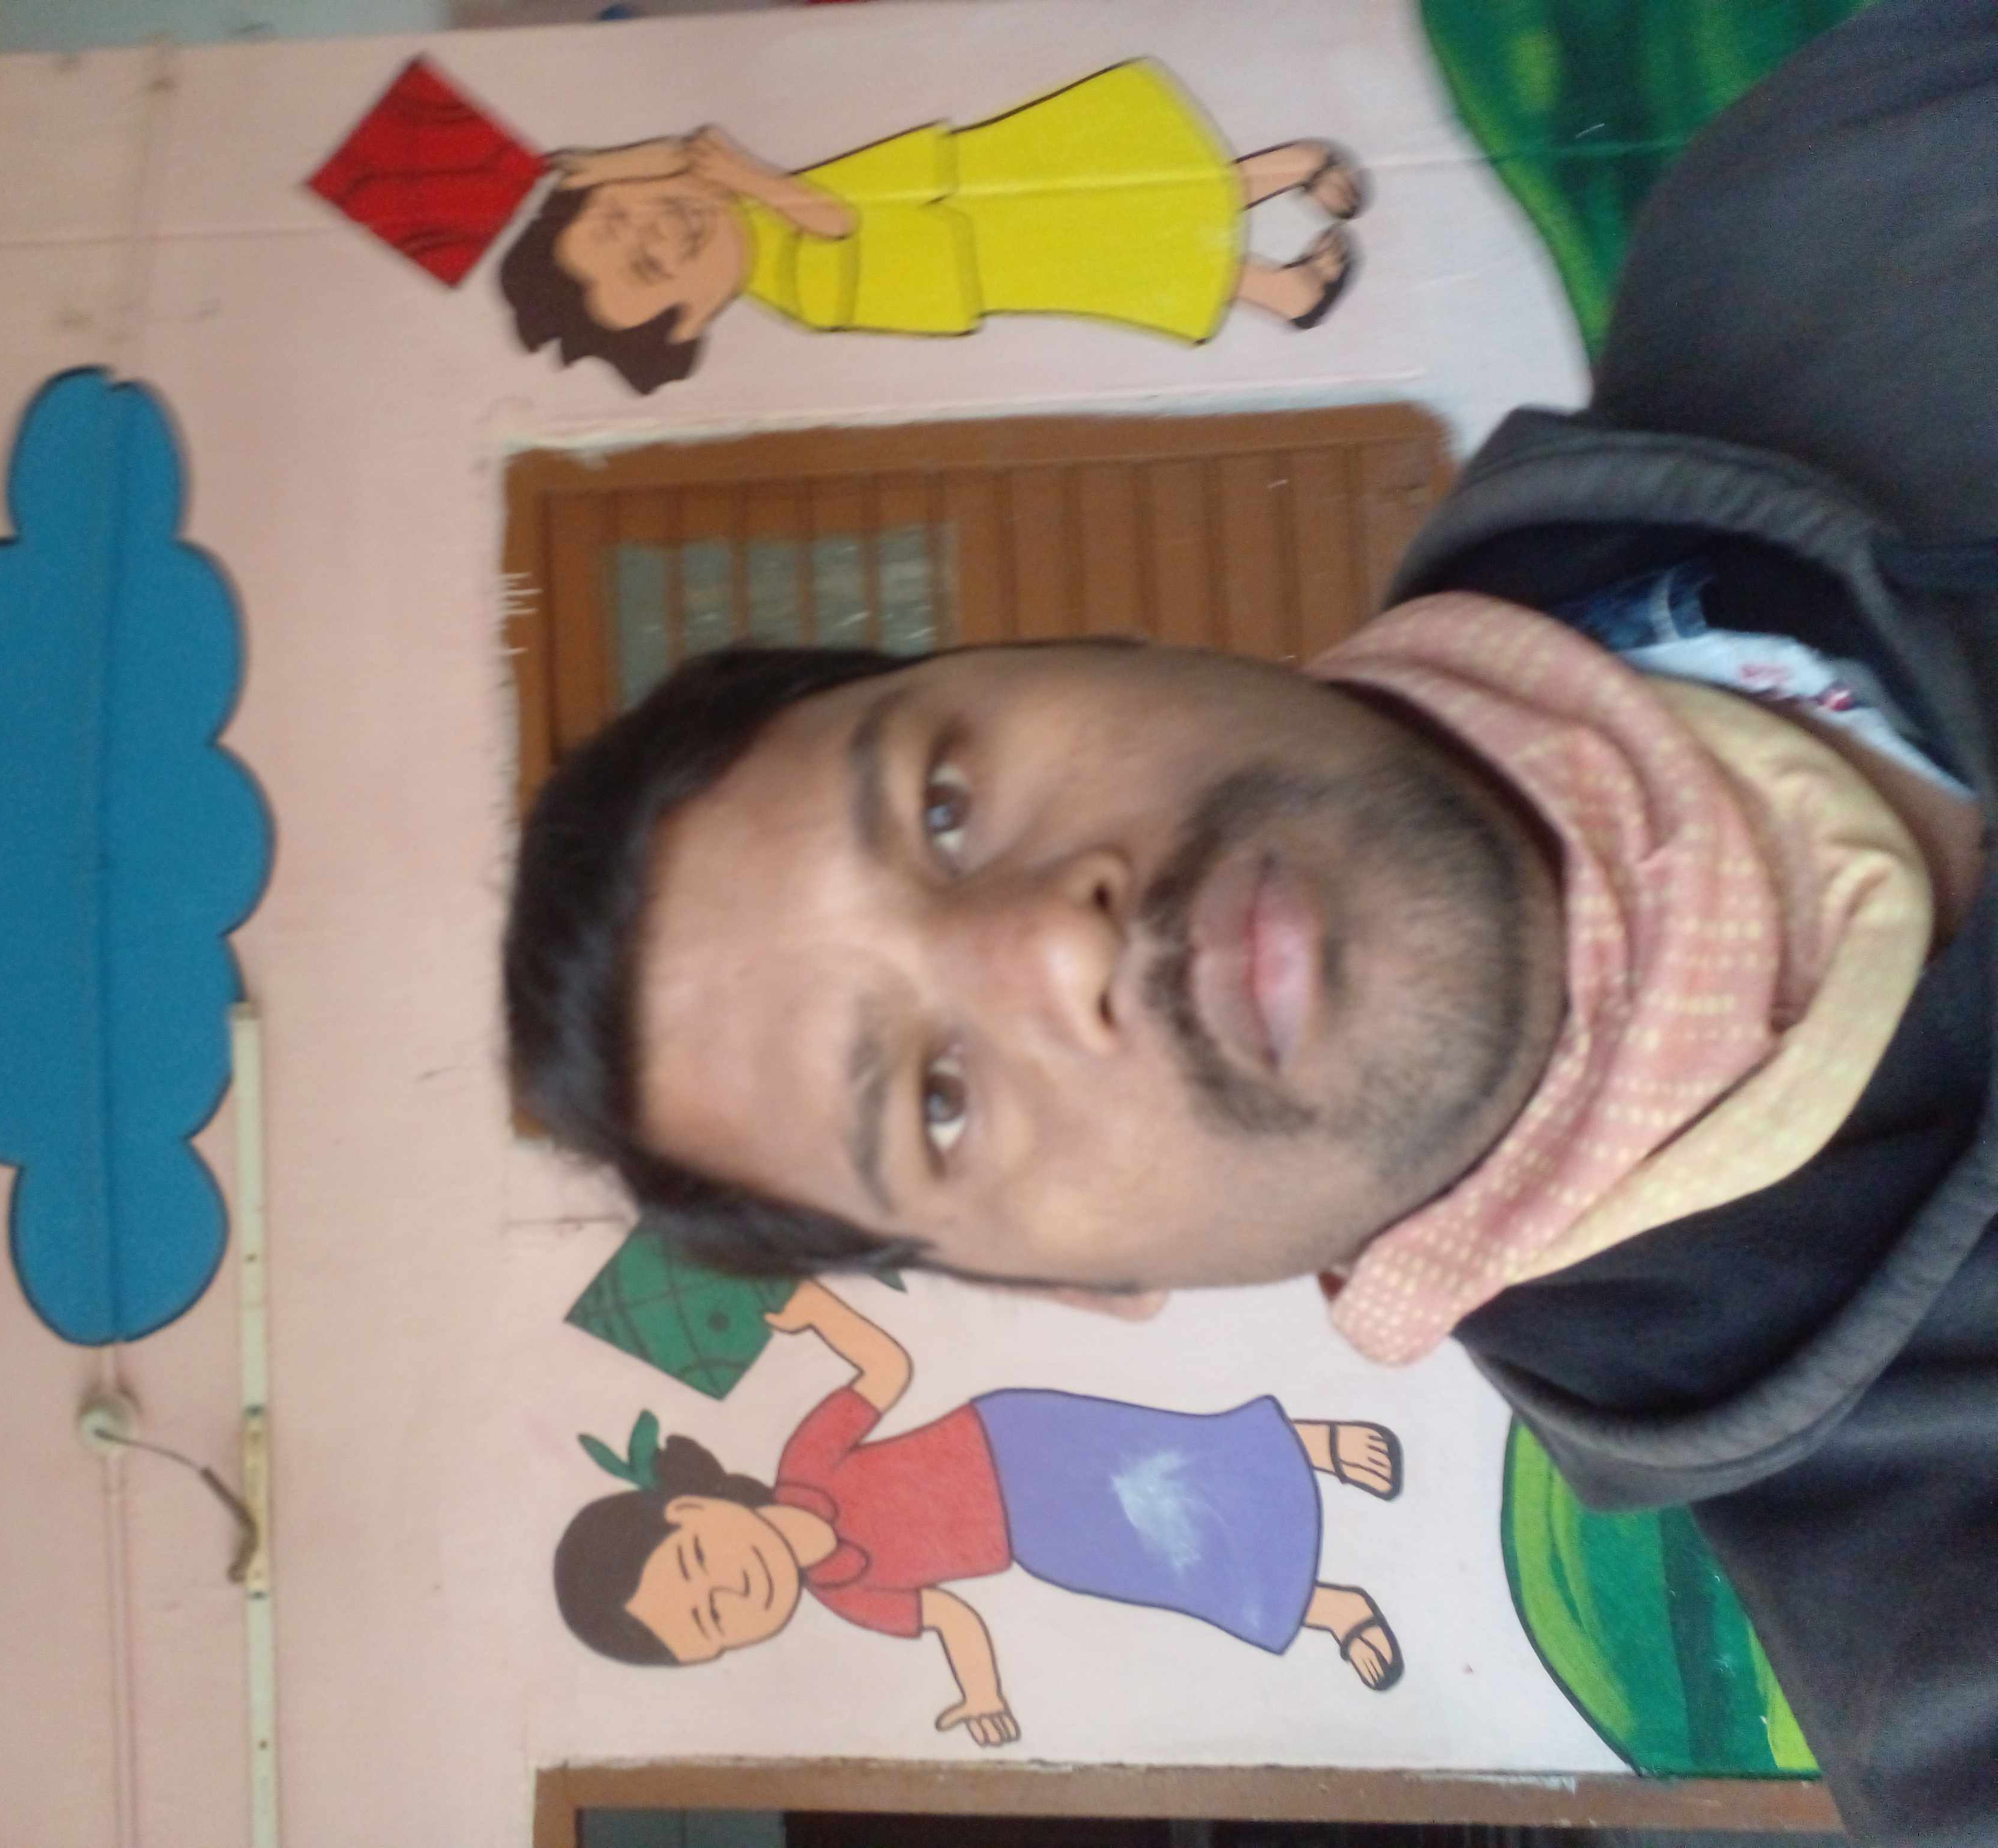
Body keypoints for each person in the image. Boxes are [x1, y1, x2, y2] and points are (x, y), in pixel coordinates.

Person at [503, 3, 1998, 1838]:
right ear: (1087, 1287)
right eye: (938, 1103)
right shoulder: (1944, 1651)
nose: (1055, 949)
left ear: (1097, 643)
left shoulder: (1830, 211)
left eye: (945, 805)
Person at [555, 1278, 1408, 1746]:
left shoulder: (804, 1465)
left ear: (694, 1508)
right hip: (1040, 1539)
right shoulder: (847, 1598)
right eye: (712, 1621)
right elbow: (951, 1618)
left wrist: (823, 1314)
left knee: (1167, 1460)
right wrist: (982, 1696)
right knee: (1170, 1569)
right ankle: (1335, 1610)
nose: (731, 1591)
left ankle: (1316, 1445)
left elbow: (884, 1374)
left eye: (698, 1564)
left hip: (1019, 1441)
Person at [498, 60, 1361, 395]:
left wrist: (601, 166)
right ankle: (1280, 273)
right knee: (1128, 242)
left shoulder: (724, 203)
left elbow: (682, 156)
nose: (659, 228)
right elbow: (835, 221)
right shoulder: (788, 283)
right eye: (649, 266)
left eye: (625, 214)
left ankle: (1288, 180)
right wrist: (748, 175)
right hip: (980, 249)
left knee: (1122, 180)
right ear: (687, 322)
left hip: (968, 191)